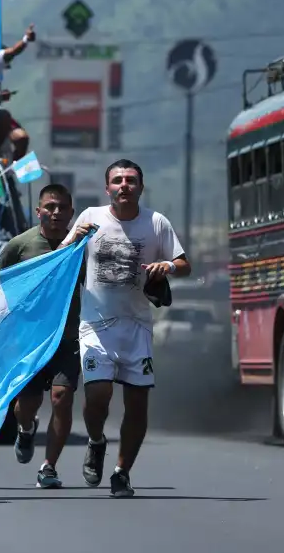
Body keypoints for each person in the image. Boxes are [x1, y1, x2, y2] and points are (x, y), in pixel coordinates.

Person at [58, 159, 190, 498]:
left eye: (131, 180)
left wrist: (167, 266)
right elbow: (60, 258)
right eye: (117, 180)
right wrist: (74, 240)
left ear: (140, 187)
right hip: (95, 326)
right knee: (97, 396)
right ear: (108, 189)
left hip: (137, 327)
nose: (124, 185)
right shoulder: (90, 217)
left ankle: (121, 472)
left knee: (137, 403)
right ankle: (96, 440)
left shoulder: (156, 223)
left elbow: (184, 264)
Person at [0, 184, 83, 488]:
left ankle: (49, 467)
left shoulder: (81, 246)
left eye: (62, 208)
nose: (56, 213)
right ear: (38, 211)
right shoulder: (21, 245)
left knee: (61, 398)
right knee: (26, 405)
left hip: (67, 339)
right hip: (29, 341)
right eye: (50, 207)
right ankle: (26, 429)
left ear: (71, 212)